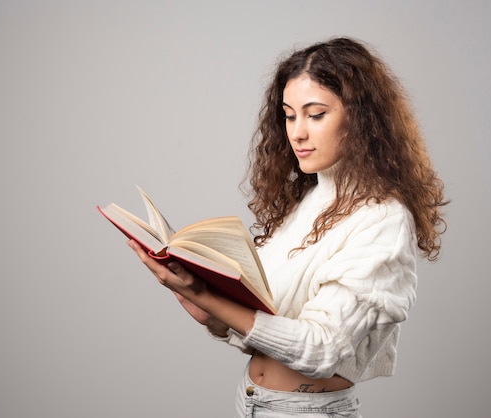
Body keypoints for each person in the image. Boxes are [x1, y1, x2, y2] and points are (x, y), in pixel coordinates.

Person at [128, 37, 447, 417]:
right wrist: (206, 309)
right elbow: (269, 328)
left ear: (362, 119)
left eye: (315, 115)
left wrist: (207, 296)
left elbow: (321, 349)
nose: (296, 132)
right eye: (289, 114)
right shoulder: (310, 199)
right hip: (251, 402)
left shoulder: (383, 219)